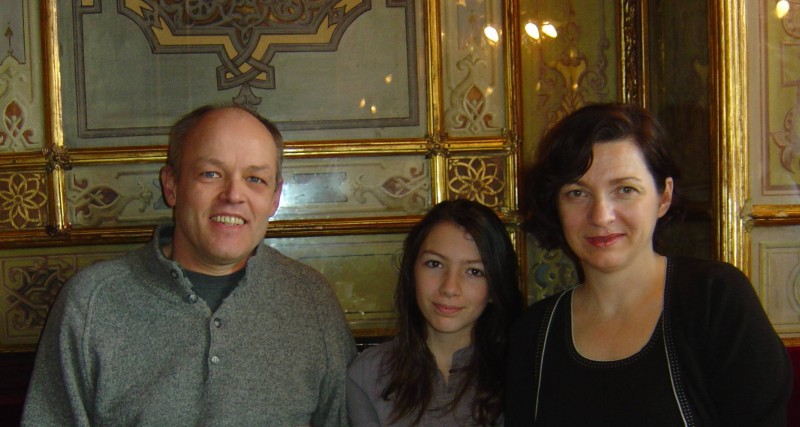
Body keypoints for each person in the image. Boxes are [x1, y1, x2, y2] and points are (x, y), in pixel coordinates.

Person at [22, 104, 357, 425]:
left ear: (275, 198)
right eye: (210, 173)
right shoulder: (91, 303)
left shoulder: (311, 300)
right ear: (172, 186)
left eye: (255, 179)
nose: (233, 195)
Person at [505, 102, 792, 426]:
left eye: (625, 190)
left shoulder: (715, 299)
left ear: (663, 196)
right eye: (577, 193)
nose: (601, 216)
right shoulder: (534, 335)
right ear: (554, 205)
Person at [347, 199, 525, 426]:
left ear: (495, 286)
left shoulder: (525, 369)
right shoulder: (367, 374)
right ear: (412, 272)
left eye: (474, 271)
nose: (450, 288)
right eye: (434, 264)